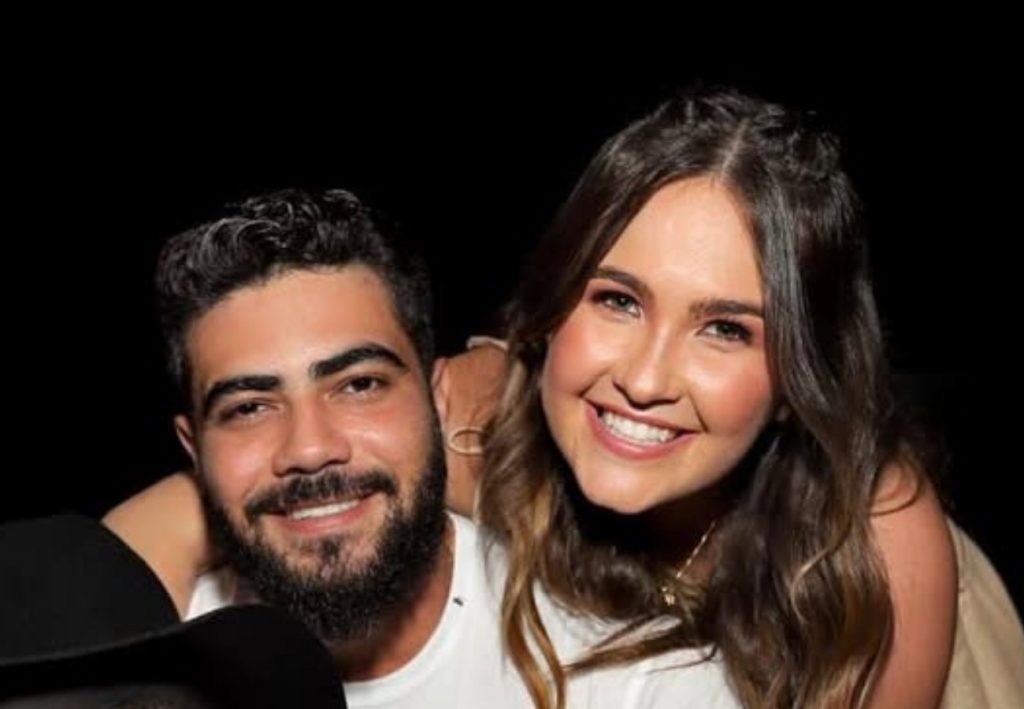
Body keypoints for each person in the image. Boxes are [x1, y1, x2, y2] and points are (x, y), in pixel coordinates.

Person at [470, 86, 1024, 708]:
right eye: (618, 301)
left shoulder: (873, 554)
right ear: (551, 308)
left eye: (726, 331)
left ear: (796, 382)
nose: (645, 382)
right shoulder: (472, 435)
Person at [109, 187, 738, 708]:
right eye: (249, 408)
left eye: (359, 385)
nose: (310, 448)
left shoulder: (636, 680)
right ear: (193, 447)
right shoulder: (130, 661)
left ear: (438, 400)